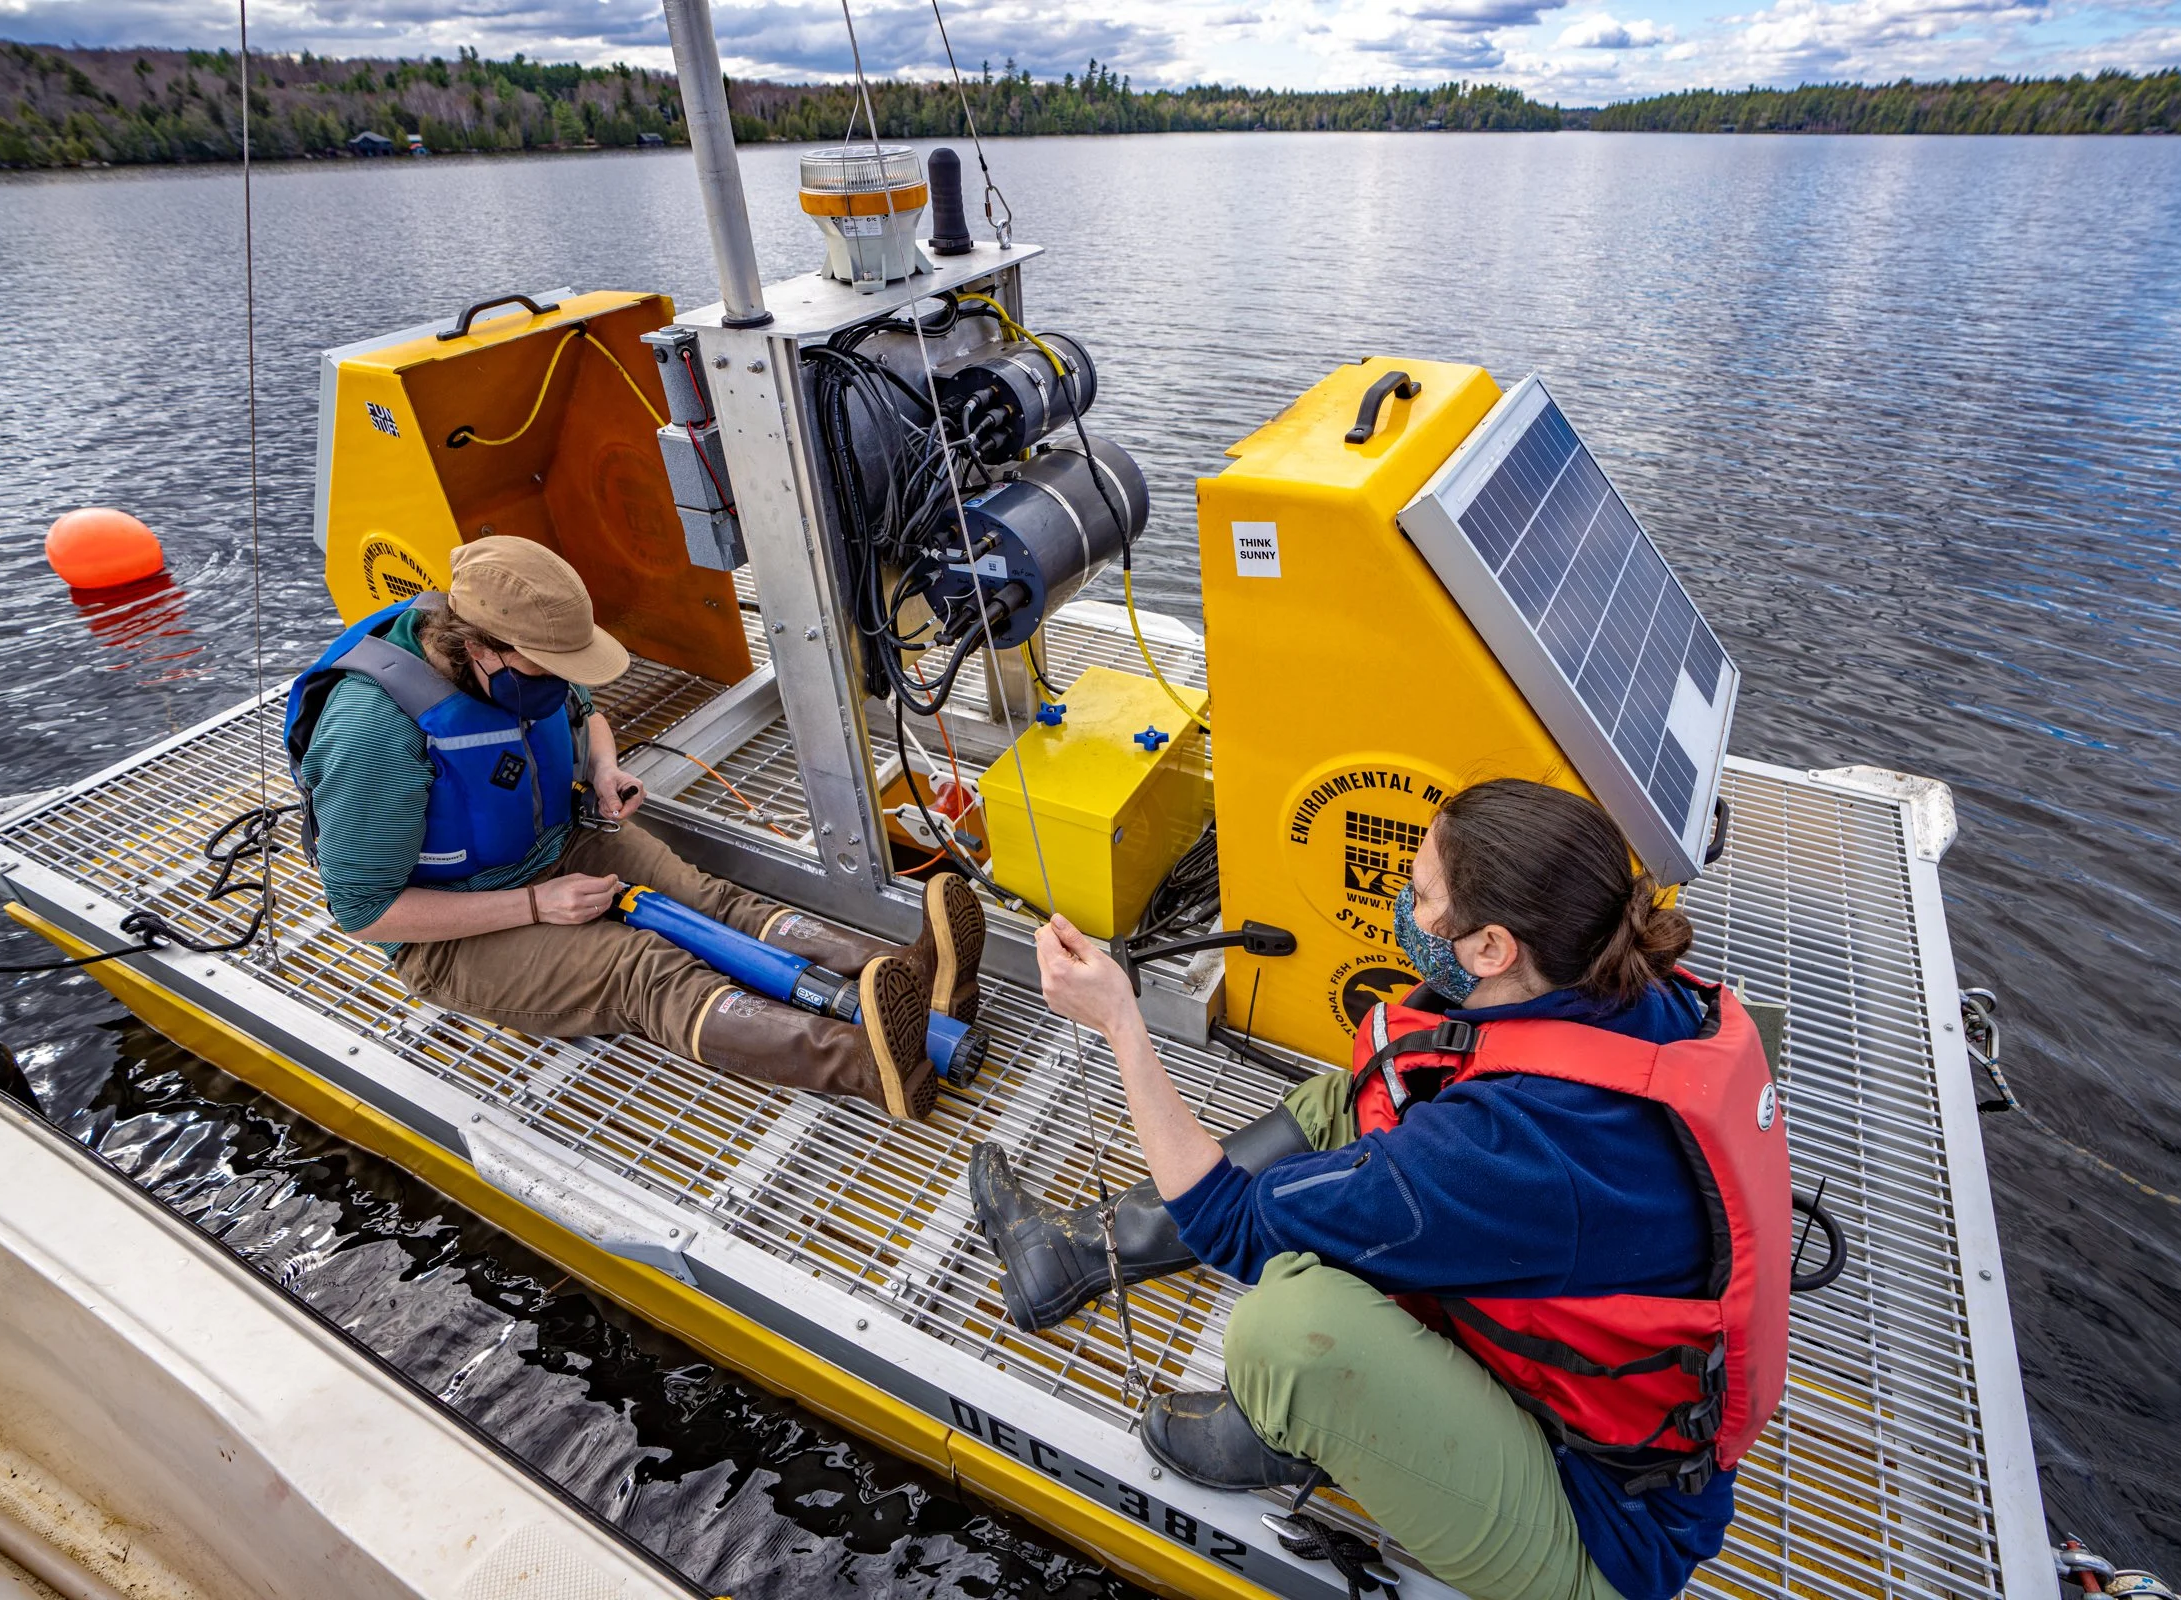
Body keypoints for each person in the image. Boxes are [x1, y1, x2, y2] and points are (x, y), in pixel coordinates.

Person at [970, 780, 1789, 1600]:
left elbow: (1231, 1224)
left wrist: (1120, 1022)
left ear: (1493, 949)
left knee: (1290, 1326)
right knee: (1369, 1091)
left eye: (1423, 894)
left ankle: (1300, 1425)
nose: (1404, 902)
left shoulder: (1507, 1153)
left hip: (1599, 1531)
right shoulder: (1629, 988)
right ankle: (1071, 1256)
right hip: (1589, 1382)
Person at [284, 536, 985, 1122]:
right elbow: (366, 912)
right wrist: (535, 906)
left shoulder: (522, 667)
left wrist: (604, 765)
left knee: (711, 901)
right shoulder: (372, 729)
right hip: (455, 932)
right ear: (478, 647)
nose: (562, 678)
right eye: (549, 667)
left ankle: (923, 979)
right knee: (642, 968)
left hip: (559, 842)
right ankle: (871, 1065)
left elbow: (585, 712)